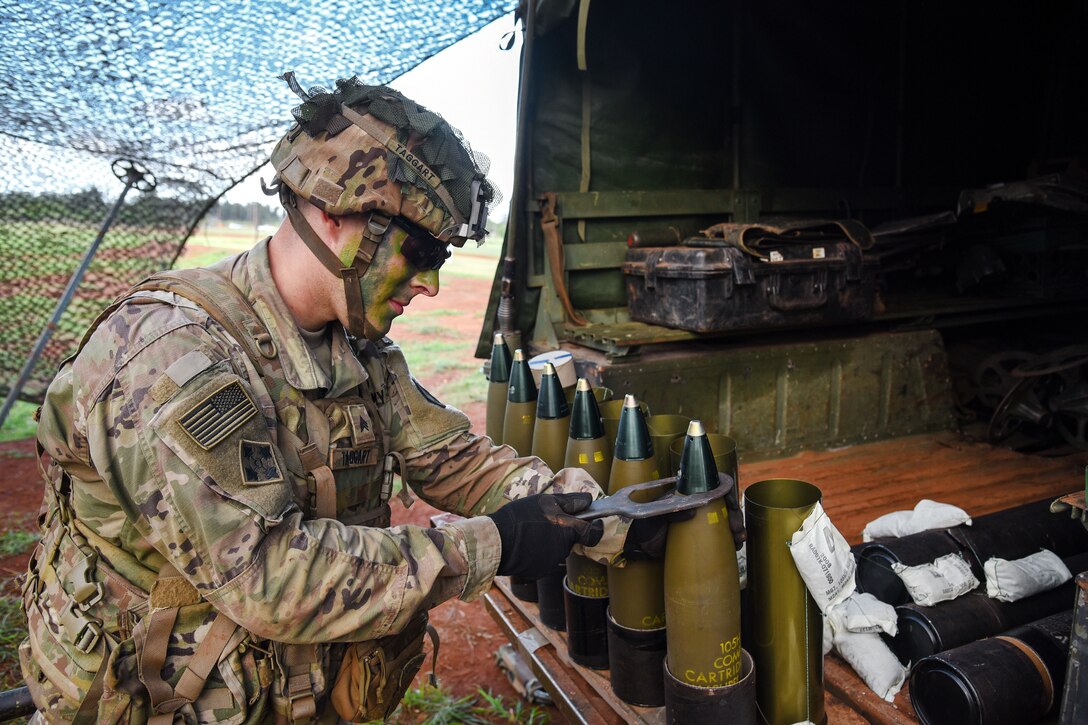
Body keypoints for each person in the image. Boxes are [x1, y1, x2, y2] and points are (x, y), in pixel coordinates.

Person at [20, 74, 630, 724]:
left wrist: (601, 515)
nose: (429, 283)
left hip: (292, 689)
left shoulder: (355, 348)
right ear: (335, 212)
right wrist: (488, 546)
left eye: (443, 257)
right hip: (163, 700)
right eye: (420, 250)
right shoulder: (172, 359)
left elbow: (456, 460)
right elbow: (266, 575)